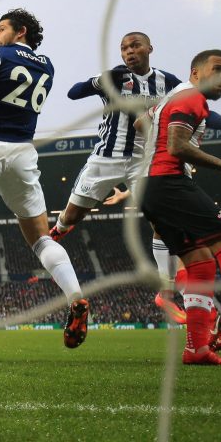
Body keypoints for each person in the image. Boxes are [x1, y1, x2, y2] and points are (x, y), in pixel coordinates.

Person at [0, 8, 88, 351]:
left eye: (0, 29)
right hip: (23, 153)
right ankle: (77, 298)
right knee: (41, 238)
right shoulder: (47, 66)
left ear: (20, 31)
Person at [48, 32, 190, 322]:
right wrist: (99, 81)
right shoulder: (114, 78)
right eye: (124, 48)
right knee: (72, 216)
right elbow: (73, 93)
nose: (129, 52)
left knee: (161, 218)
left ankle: (167, 290)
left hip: (143, 162)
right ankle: (54, 235)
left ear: (150, 48)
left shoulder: (169, 82)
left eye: (135, 46)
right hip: (106, 159)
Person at [139, 49, 221, 366]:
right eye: (217, 68)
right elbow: (177, 146)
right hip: (170, 184)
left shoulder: (172, 99)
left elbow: (140, 123)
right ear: (195, 73)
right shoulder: (190, 97)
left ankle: (196, 349)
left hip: (152, 188)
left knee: (200, 263)